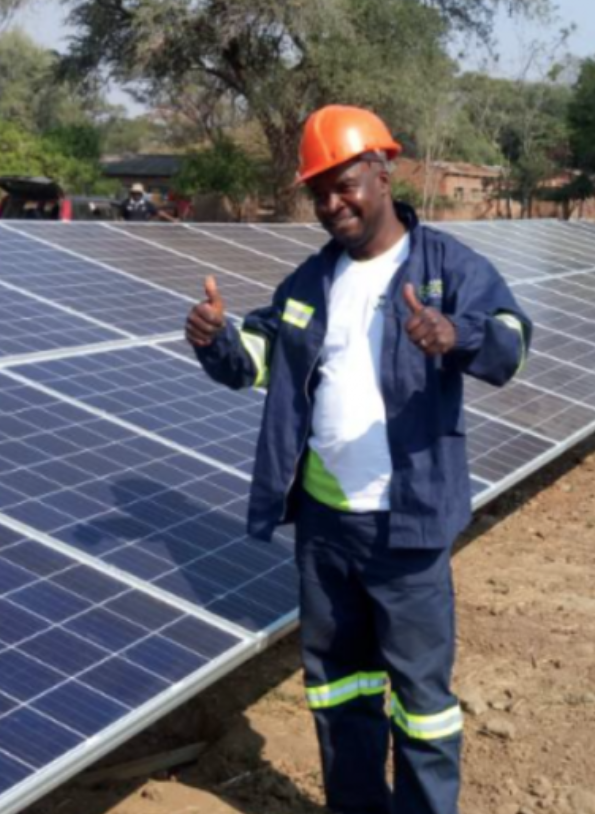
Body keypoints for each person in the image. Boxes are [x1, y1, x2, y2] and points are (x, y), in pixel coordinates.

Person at [185, 104, 531, 814]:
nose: (331, 204)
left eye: (343, 185)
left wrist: (455, 334)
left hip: (408, 527)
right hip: (326, 529)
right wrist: (216, 340)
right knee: (339, 688)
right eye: (319, 192)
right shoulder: (311, 281)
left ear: (382, 173)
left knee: (421, 703)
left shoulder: (447, 267)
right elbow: (261, 359)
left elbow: (512, 342)